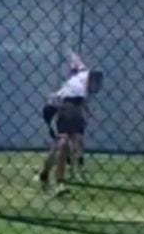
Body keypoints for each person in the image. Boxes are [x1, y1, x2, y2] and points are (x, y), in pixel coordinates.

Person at [42, 55, 103, 198]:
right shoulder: (82, 78)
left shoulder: (83, 92)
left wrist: (86, 115)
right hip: (57, 109)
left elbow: (81, 103)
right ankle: (59, 183)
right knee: (62, 144)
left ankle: (45, 174)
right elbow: (74, 58)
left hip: (72, 111)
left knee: (63, 144)